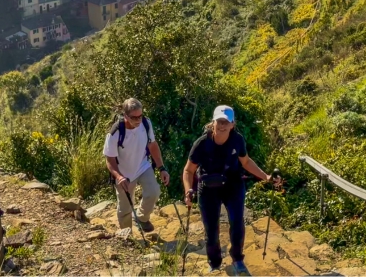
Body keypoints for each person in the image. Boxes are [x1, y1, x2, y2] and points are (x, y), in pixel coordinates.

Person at [182, 105, 280, 276]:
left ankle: (237, 259)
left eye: (226, 122)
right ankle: (214, 262)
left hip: (232, 184)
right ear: (213, 122)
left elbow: (246, 162)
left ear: (232, 124)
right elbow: (188, 171)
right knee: (211, 229)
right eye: (219, 121)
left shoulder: (237, 140)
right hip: (208, 187)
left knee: (236, 222)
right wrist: (188, 190)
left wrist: (266, 177)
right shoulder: (202, 143)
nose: (222, 125)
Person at [103, 98, 170, 232]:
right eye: (134, 117)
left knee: (154, 192)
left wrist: (161, 168)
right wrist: (119, 177)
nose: (138, 120)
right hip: (123, 173)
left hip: (143, 166)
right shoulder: (116, 132)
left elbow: (153, 145)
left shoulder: (146, 123)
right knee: (125, 208)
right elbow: (109, 159)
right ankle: (128, 237)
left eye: (140, 116)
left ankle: (142, 218)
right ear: (126, 115)